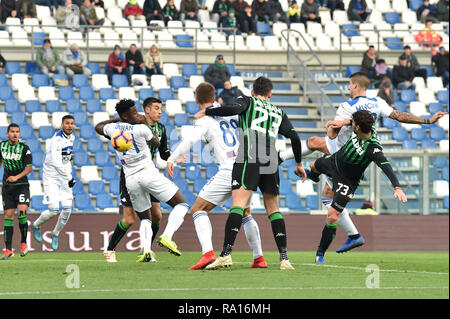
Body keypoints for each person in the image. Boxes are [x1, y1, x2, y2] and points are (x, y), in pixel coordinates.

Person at [279, 72, 447, 254]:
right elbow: (400, 116)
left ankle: (283, 159)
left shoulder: (346, 106)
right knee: (314, 145)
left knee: (327, 193)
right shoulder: (378, 103)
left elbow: (332, 135)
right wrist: (427, 121)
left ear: (356, 85)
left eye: (350, 85)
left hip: (343, 151)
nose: (349, 88)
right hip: (357, 151)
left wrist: (335, 126)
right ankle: (351, 232)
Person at [195, 76, 307, 271]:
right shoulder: (279, 111)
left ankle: (226, 255)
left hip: (249, 157)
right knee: (273, 209)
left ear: (253, 91)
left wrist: (208, 110)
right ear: (270, 94)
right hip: (270, 160)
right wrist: (298, 163)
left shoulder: (248, 100)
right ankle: (284, 259)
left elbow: (233, 110)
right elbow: (295, 137)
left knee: (238, 205)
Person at [167, 82, 267, 269]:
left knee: (198, 209)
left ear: (197, 101)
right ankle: (259, 258)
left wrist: (172, 158)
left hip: (229, 169)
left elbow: (190, 140)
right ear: (215, 98)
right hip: (247, 167)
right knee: (245, 213)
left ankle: (208, 254)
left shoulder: (205, 119)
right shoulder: (231, 112)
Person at [95, 99, 190, 260]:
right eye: (156, 108)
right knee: (132, 218)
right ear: (147, 111)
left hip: (132, 177)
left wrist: (172, 158)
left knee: (153, 216)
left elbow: (98, 127)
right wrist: (140, 124)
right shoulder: (141, 128)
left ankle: (147, 251)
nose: (160, 111)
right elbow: (155, 141)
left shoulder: (114, 129)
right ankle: (111, 249)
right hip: (145, 173)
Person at [310, 110, 407, 263]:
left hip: (347, 181)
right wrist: (343, 123)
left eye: (353, 123)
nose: (351, 123)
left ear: (357, 128)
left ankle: (320, 254)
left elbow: (385, 165)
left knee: (332, 215)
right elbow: (362, 118)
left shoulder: (373, 148)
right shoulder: (368, 125)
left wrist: (397, 187)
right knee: (312, 166)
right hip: (334, 161)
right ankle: (314, 177)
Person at [31, 115, 77, 251]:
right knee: (54, 210)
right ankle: (36, 225)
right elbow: (57, 163)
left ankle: (55, 233)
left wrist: (68, 175)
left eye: (72, 124)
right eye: (67, 123)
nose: (70, 126)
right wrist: (69, 178)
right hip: (51, 177)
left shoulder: (72, 138)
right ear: (62, 125)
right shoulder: (56, 140)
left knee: (67, 209)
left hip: (64, 176)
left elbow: (66, 159)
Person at [0, 124, 33, 260]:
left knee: (21, 213)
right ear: (7, 134)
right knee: (8, 217)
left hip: (21, 185)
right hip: (7, 187)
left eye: (17, 132)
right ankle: (8, 250)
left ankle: (23, 243)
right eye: (12, 132)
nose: (15, 134)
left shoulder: (25, 149)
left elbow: (29, 168)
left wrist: (16, 177)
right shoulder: (1, 146)